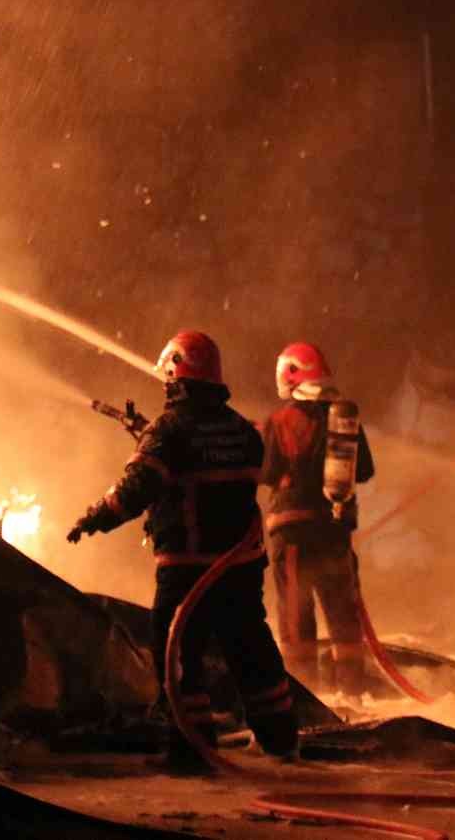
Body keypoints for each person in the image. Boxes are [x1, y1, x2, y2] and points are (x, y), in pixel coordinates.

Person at [67, 330, 298, 769]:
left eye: (168, 379)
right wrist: (148, 436)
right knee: (250, 648)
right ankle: (282, 740)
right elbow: (208, 461)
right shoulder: (242, 430)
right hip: (240, 568)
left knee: (177, 658)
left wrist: (95, 518)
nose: (165, 387)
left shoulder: (169, 430)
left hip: (187, 568)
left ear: (177, 374)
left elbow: (139, 487)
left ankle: (191, 750)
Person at [259, 342, 378, 697]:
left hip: (291, 533)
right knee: (343, 614)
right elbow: (365, 470)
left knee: (296, 616)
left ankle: (306, 695)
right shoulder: (345, 418)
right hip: (334, 531)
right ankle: (353, 693)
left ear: (289, 375)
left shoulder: (280, 421)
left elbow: (266, 472)